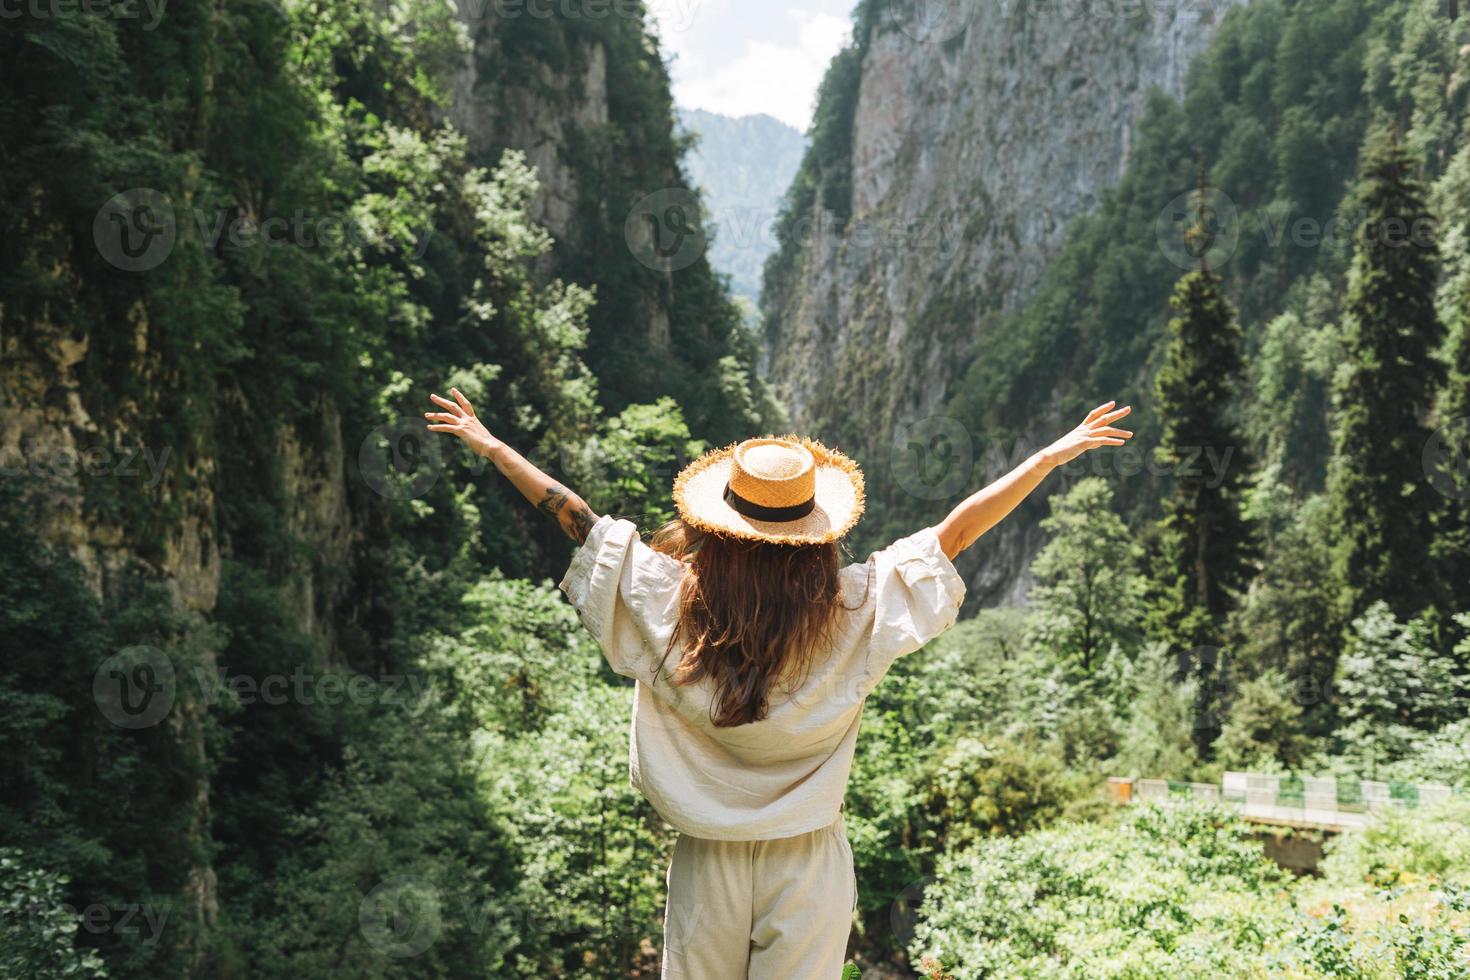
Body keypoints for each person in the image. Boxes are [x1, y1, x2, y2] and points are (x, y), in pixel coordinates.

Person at [425, 388, 1133, 979]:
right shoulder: (852, 610)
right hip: (808, 858)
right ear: (816, 531)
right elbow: (953, 536)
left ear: (718, 527)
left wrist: (491, 446)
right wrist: (1048, 456)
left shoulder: (673, 604)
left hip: (708, 854)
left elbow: (577, 520)